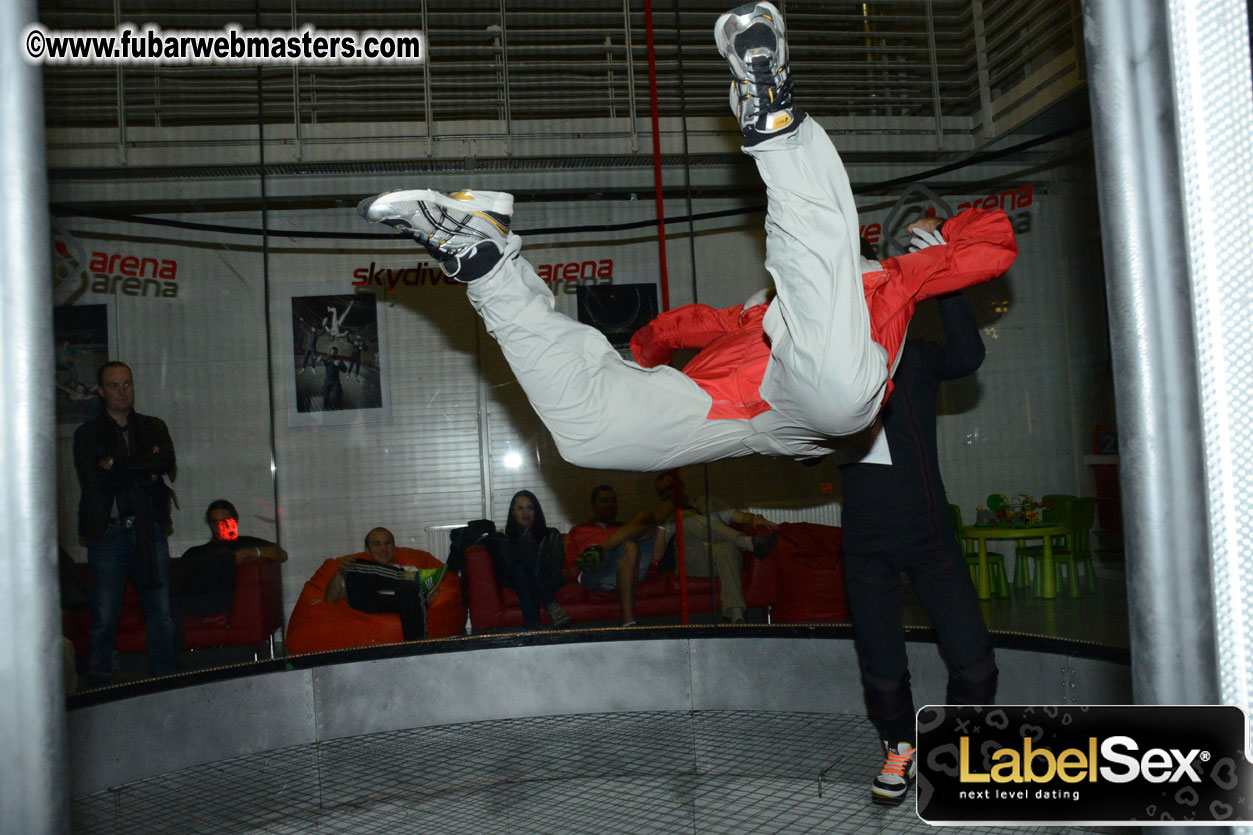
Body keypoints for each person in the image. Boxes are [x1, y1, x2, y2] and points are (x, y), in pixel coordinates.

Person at [356, 2, 1016, 473]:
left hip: (816, 415)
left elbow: (990, 244)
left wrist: (935, 244)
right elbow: (685, 326)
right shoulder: (754, 316)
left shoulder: (895, 278)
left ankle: (778, 126)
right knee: (589, 436)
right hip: (725, 407)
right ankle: (488, 258)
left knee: (837, 385)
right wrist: (638, 363)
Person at [836, 286, 999, 805]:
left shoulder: (913, 358)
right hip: (867, 545)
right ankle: (898, 747)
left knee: (976, 667)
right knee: (882, 669)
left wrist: (949, 288)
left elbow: (968, 356)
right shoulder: (826, 375)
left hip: (930, 540)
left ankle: (950, 752)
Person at [73, 361, 177, 687]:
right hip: (110, 533)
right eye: (115, 386)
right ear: (102, 391)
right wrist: (144, 468)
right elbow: (95, 480)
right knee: (104, 618)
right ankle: (100, 689)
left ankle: (166, 683)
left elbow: (166, 463)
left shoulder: (153, 426)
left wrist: (116, 465)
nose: (122, 392)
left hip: (149, 530)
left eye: (127, 384)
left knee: (160, 613)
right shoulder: (88, 433)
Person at [653, 472, 779, 623]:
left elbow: (740, 516)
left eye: (671, 488)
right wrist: (661, 521)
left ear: (681, 486)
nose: (668, 494)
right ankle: (748, 543)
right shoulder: (666, 519)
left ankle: (737, 617)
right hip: (693, 562)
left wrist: (755, 518)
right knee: (684, 517)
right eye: (662, 493)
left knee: (725, 548)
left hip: (722, 559)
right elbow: (656, 556)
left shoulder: (707, 503)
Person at [566, 485, 663, 627]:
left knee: (646, 517)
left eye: (613, 501)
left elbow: (651, 563)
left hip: (630, 568)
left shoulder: (627, 527)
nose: (610, 505)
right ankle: (629, 622)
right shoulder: (579, 530)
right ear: (593, 505)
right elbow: (571, 567)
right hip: (597, 574)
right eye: (604, 501)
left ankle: (599, 549)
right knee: (629, 546)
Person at [177, 500, 286, 618]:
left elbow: (282, 554)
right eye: (215, 522)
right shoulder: (196, 552)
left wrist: (247, 553)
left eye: (224, 522)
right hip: (204, 603)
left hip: (237, 604)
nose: (219, 527)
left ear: (235, 521)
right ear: (210, 523)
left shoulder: (246, 543)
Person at [325, 527, 427, 640]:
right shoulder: (358, 573)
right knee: (358, 572)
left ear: (394, 548)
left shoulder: (410, 569)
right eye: (377, 544)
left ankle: (416, 646)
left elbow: (429, 597)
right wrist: (340, 573)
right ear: (367, 550)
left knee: (411, 588)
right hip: (367, 602)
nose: (383, 548)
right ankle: (400, 577)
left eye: (388, 543)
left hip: (398, 604)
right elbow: (330, 599)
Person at [498, 490, 571, 630]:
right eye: (520, 508)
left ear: (536, 512)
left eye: (530, 508)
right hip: (518, 579)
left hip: (550, 577)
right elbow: (506, 568)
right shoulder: (506, 539)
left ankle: (533, 627)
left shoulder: (551, 534)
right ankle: (551, 605)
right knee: (520, 570)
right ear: (512, 513)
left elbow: (557, 564)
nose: (525, 513)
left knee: (523, 568)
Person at [320, 346, 346, 410]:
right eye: (332, 351)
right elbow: (320, 358)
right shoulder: (327, 358)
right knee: (323, 399)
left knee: (337, 398)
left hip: (335, 381)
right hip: (327, 381)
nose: (333, 353)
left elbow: (345, 370)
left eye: (335, 352)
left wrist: (339, 364)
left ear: (337, 353)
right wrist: (319, 358)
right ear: (329, 351)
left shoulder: (339, 360)